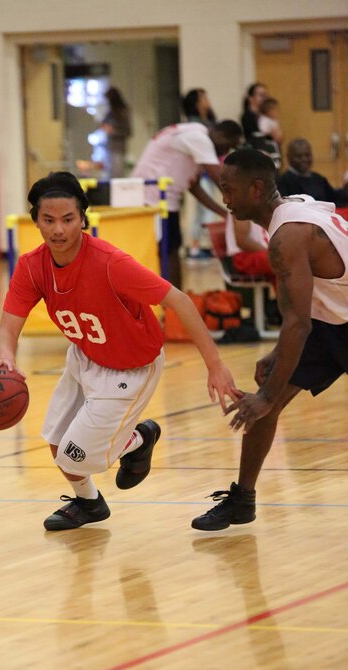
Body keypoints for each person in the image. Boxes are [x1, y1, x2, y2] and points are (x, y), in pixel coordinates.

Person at [0, 171, 240, 531]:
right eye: (49, 220)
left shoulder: (109, 262)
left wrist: (215, 365)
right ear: (36, 221)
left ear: (83, 219)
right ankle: (89, 505)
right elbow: (8, 329)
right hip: (85, 356)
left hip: (131, 366)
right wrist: (6, 358)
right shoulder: (31, 266)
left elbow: (179, 300)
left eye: (68, 219)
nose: (58, 229)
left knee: (79, 457)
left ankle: (138, 440)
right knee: (57, 444)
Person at [192, 148, 348, 531]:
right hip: (333, 320)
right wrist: (277, 358)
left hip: (328, 322)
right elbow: (304, 313)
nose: (224, 199)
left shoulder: (287, 235)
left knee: (265, 397)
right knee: (269, 391)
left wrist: (264, 395)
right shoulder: (293, 207)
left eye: (229, 190)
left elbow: (297, 323)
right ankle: (242, 499)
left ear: (256, 189)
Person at [131, 119, 243, 289]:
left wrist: (223, 212)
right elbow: (220, 179)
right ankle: (171, 303)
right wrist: (243, 205)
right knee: (167, 253)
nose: (226, 151)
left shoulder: (194, 135)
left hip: (164, 201)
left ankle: (176, 301)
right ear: (221, 135)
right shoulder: (199, 139)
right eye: (229, 145)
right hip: (152, 200)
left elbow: (194, 186)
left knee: (173, 250)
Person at [181, 88, 217, 259]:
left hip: (208, 175)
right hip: (200, 174)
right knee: (202, 212)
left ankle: (202, 244)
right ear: (196, 103)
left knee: (206, 212)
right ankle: (196, 246)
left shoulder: (209, 122)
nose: (207, 101)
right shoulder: (193, 126)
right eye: (203, 98)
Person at [278, 138, 348, 207]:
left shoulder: (318, 178)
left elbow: (334, 198)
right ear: (288, 157)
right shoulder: (283, 181)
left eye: (307, 155)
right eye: (299, 156)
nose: (304, 159)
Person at [93, 87, 132, 178]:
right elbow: (102, 123)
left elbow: (128, 131)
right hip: (108, 147)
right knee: (108, 174)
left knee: (117, 175)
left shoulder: (123, 112)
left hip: (118, 148)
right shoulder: (110, 113)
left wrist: (113, 131)